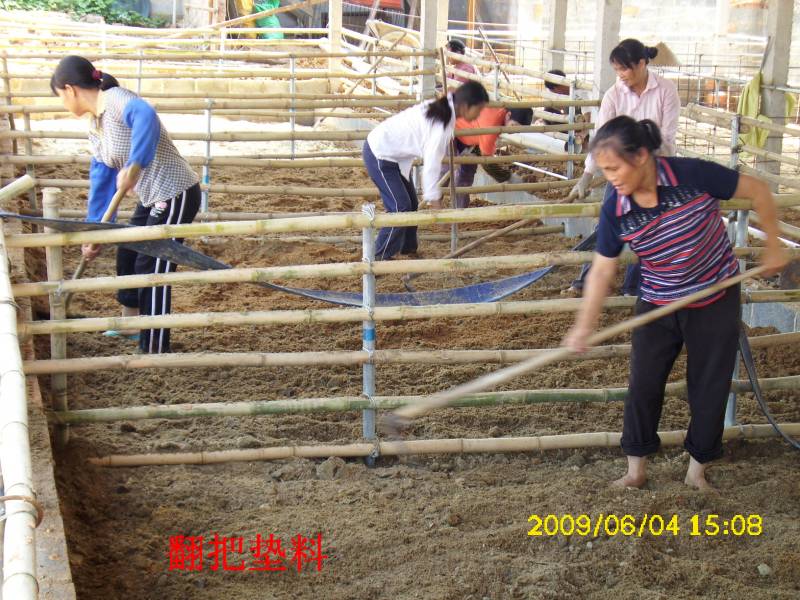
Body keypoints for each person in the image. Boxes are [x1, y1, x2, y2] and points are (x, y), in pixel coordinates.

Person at [563, 116, 787, 491]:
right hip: (658, 298)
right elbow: (602, 270)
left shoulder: (692, 175)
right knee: (644, 383)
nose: (610, 178)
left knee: (709, 383)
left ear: (641, 156)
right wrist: (583, 326)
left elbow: (759, 191)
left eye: (614, 168)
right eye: (604, 171)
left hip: (713, 294)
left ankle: (697, 470)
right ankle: (636, 469)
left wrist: (774, 246)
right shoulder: (616, 207)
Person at [51, 55, 201, 354]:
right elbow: (102, 179)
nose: (62, 103)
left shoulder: (116, 99)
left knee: (153, 264)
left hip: (175, 192)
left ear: (70, 89)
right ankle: (131, 323)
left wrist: (135, 164)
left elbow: (146, 115)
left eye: (60, 97)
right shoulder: (95, 125)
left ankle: (154, 345)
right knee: (128, 250)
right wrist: (95, 231)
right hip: (150, 196)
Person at [566, 39, 681, 297]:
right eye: (616, 69)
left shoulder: (666, 90)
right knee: (608, 223)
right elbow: (601, 137)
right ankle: (586, 280)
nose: (620, 75)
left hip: (655, 171)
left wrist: (643, 161)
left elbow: (667, 138)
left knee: (649, 227)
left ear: (641, 64)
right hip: (621, 173)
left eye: (624, 69)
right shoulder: (614, 95)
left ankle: (634, 287)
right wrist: (587, 175)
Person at [362, 80, 489, 261]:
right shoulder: (441, 124)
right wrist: (435, 204)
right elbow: (431, 167)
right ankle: (377, 258)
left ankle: (408, 249)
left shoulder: (444, 111)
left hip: (393, 156)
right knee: (400, 208)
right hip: (380, 153)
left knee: (411, 203)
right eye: (479, 109)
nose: (479, 114)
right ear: (466, 106)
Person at [451, 106, 533, 208]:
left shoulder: (501, 115)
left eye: (518, 130)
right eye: (513, 125)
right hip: (452, 133)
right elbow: (487, 162)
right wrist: (508, 177)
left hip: (470, 138)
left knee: (466, 174)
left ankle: (460, 210)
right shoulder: (492, 123)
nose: (513, 131)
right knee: (444, 171)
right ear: (508, 115)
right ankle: (437, 206)